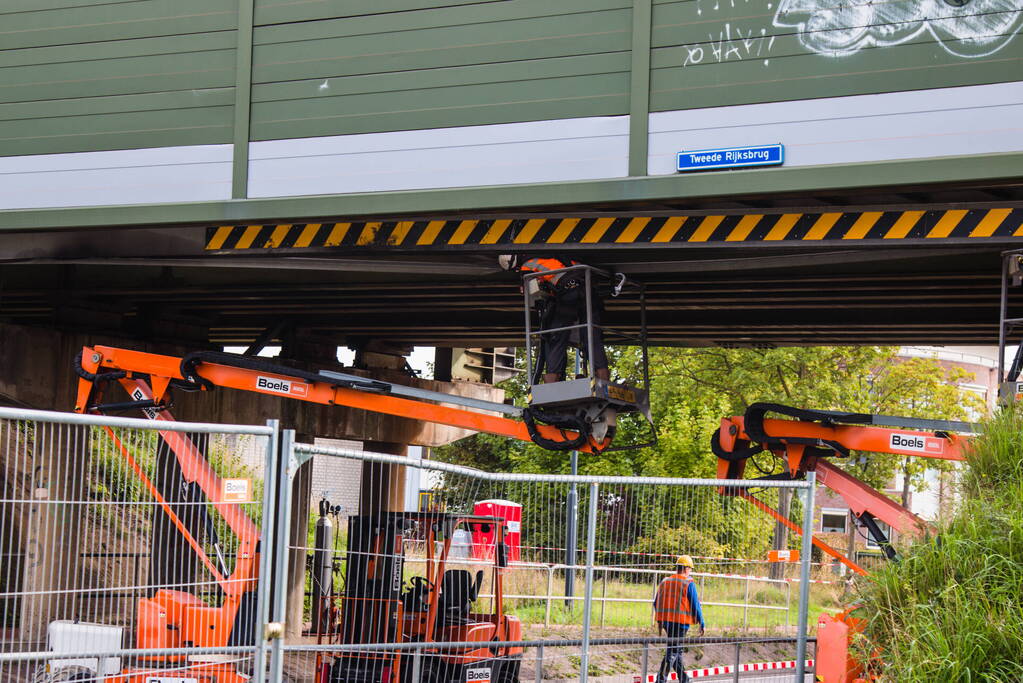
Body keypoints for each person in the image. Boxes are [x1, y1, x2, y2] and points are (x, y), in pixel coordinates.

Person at [498, 254, 609, 384]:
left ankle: (552, 380)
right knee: (591, 336)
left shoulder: (526, 267)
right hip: (589, 291)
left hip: (569, 294)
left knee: (556, 336)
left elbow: (533, 291)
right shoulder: (547, 256)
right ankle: (603, 378)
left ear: (514, 265)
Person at [653, 555, 705, 683]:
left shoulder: (665, 581)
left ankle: (684, 680)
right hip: (680, 623)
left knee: (676, 651)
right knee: (673, 652)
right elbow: (695, 605)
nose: (690, 571)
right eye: (690, 569)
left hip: (666, 622)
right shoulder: (688, 583)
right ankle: (660, 679)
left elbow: (656, 603)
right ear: (687, 568)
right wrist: (702, 622)